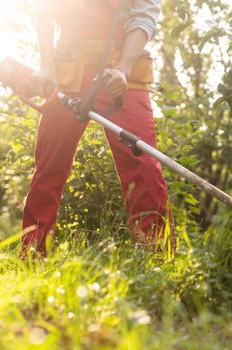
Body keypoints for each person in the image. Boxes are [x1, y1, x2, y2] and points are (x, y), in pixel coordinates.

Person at [21, 0, 173, 256]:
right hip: (70, 67)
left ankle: (157, 256)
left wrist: (123, 69)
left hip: (121, 69)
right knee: (49, 166)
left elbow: (144, 15)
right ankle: (32, 255)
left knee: (143, 165)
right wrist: (46, 66)